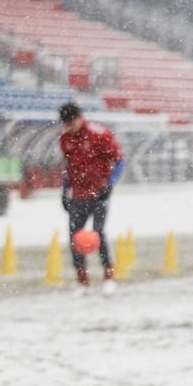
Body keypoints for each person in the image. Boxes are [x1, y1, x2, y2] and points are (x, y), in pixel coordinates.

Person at [58, 101, 124, 296]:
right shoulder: (64, 139)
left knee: (98, 233)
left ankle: (109, 277)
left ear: (79, 118)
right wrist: (64, 191)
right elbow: (69, 168)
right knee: (74, 236)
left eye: (71, 123)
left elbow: (119, 161)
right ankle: (82, 282)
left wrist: (110, 184)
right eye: (66, 125)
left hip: (99, 193)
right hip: (79, 195)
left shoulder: (99, 134)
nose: (69, 128)